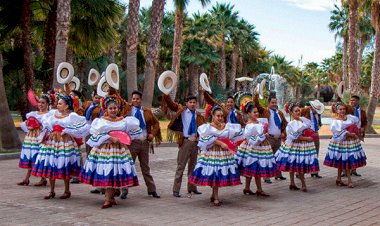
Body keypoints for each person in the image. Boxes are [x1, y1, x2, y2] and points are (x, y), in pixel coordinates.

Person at [80, 96, 141, 208]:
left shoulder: (124, 121)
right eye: (111, 108)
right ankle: (108, 198)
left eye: (115, 108)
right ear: (106, 110)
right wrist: (109, 138)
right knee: (108, 171)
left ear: (118, 109)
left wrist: (126, 138)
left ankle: (111, 197)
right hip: (105, 150)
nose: (113, 110)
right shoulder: (101, 122)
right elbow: (95, 134)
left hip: (119, 150)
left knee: (115, 173)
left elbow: (133, 132)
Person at [31, 95, 90, 199]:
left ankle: (67, 190)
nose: (58, 105)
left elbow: (83, 126)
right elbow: (47, 125)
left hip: (65, 142)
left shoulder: (72, 116)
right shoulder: (52, 115)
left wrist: (68, 131)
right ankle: (51, 191)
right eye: (58, 103)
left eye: (60, 103)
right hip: (52, 141)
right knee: (51, 163)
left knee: (64, 163)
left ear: (67, 106)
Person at [189, 105, 243, 206]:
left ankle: (214, 195)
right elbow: (205, 139)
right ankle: (216, 197)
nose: (220, 118)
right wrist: (220, 143)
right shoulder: (207, 127)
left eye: (222, 116)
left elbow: (236, 136)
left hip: (224, 154)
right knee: (214, 173)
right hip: (212, 153)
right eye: (218, 116)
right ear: (212, 116)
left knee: (218, 174)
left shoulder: (226, 126)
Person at [120, 90, 162, 199]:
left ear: (140, 100)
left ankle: (152, 190)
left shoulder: (147, 111)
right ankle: (124, 190)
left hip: (144, 143)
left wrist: (152, 134)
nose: (135, 100)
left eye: (137, 99)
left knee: (145, 168)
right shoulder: (127, 111)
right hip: (132, 143)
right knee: (128, 165)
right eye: (133, 99)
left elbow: (156, 123)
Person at [161, 94, 206, 197]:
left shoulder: (198, 115)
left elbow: (203, 129)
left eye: (194, 102)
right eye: (190, 102)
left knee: (193, 167)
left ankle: (192, 187)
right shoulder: (182, 111)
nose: (192, 104)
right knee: (181, 166)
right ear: (186, 103)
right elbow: (171, 105)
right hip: (185, 142)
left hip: (195, 143)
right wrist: (166, 93)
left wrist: (199, 138)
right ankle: (176, 190)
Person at [275, 102, 319, 192]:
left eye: (299, 110)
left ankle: (295, 183)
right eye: (296, 111)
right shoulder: (291, 124)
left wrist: (309, 136)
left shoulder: (303, 120)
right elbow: (295, 137)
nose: (298, 112)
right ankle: (298, 184)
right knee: (295, 163)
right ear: (291, 112)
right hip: (295, 146)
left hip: (302, 146)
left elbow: (309, 129)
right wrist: (307, 138)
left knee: (297, 163)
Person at [235, 102, 277, 196]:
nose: (257, 114)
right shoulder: (249, 125)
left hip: (260, 146)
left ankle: (250, 188)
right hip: (252, 148)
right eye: (254, 112)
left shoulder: (259, 122)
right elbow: (251, 139)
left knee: (253, 168)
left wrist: (264, 134)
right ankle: (256, 189)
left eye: (257, 112)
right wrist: (263, 136)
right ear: (249, 114)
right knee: (254, 167)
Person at [324, 102, 367, 188]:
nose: (342, 111)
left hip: (350, 143)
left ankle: (339, 179)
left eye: (343, 109)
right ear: (337, 111)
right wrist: (350, 134)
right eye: (340, 109)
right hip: (341, 143)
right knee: (345, 160)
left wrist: (356, 133)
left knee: (344, 161)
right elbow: (336, 133)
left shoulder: (350, 118)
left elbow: (357, 124)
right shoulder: (335, 122)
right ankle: (349, 181)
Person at [17, 93, 52, 186]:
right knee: (31, 157)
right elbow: (25, 124)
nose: (40, 104)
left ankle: (42, 178)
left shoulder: (49, 115)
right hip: (31, 137)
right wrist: (29, 127)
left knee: (38, 156)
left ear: (47, 104)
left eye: (43, 103)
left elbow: (48, 127)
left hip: (40, 137)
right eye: (39, 102)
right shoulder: (33, 114)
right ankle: (27, 179)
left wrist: (39, 128)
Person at [254, 91, 288, 183]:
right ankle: (266, 176)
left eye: (275, 102)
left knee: (278, 157)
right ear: (268, 103)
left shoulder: (279, 113)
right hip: (269, 138)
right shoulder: (265, 111)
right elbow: (256, 105)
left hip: (278, 138)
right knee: (267, 157)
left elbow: (285, 124)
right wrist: (256, 95)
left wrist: (284, 133)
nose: (274, 104)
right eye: (272, 102)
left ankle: (278, 174)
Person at [81, 90, 104, 194]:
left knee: (98, 159)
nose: (98, 99)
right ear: (92, 97)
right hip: (88, 132)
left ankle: (101, 185)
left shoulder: (101, 108)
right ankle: (96, 183)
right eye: (96, 97)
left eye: (99, 98)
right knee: (90, 157)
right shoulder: (88, 105)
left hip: (96, 133)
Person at [300, 100, 324, 178]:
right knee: (305, 154)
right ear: (311, 107)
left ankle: (314, 171)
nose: (317, 112)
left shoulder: (318, 114)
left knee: (315, 153)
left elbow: (318, 122)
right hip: (307, 135)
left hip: (315, 134)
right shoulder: (304, 111)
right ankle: (299, 172)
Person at [346, 95, 367, 177]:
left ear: (358, 101)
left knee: (356, 152)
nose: (352, 102)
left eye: (353, 100)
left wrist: (363, 129)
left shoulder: (362, 111)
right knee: (347, 151)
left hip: (357, 134)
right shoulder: (347, 110)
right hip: (349, 134)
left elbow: (365, 122)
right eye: (351, 100)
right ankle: (345, 170)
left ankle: (354, 170)